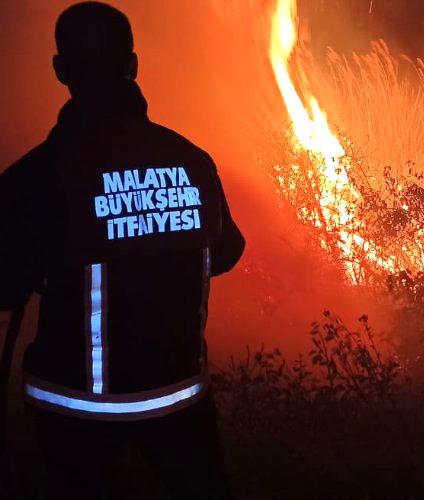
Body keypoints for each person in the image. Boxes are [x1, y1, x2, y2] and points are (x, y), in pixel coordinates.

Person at [0, 2, 244, 498]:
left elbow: (4, 286)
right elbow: (226, 252)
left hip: (76, 409)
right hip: (179, 399)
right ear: (133, 65)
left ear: (61, 70)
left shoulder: (36, 175)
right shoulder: (191, 160)